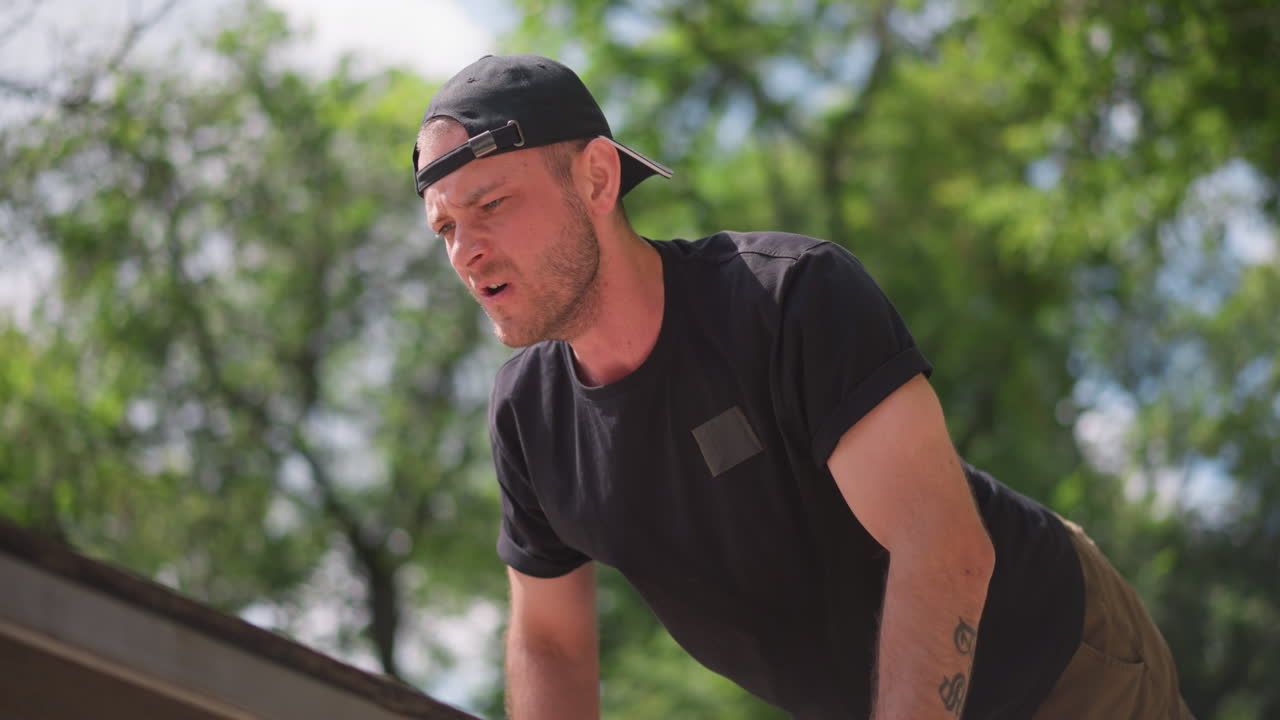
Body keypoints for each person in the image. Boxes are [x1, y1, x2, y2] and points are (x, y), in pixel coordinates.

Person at [409, 54, 1192, 720]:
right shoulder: (528, 419)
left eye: (493, 205)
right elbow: (549, 641)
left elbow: (943, 549)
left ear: (598, 178)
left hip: (1058, 667)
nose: (465, 253)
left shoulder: (785, 300)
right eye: (446, 228)